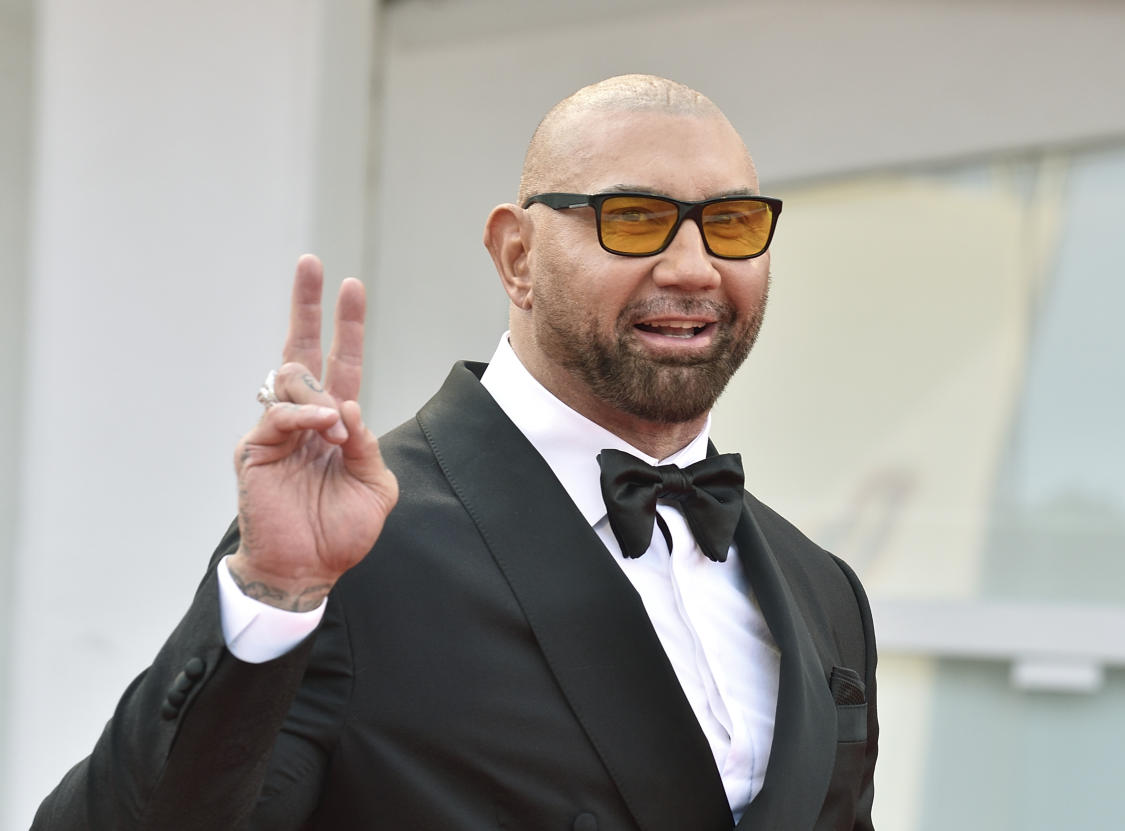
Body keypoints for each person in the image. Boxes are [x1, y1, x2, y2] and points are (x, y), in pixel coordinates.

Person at [33, 74, 878, 830]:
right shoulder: (357, 549)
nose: (694, 268)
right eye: (635, 220)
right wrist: (272, 594)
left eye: (729, 224)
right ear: (518, 256)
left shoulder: (822, 588)